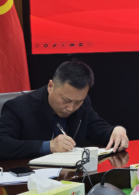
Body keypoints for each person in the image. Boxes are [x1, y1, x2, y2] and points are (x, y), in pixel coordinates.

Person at [0, 59, 129, 160]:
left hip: (72, 176)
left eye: (78, 102)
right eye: (66, 100)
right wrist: (49, 146)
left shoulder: (83, 103)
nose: (70, 108)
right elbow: (2, 144)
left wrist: (115, 131)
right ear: (50, 86)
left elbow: (96, 128)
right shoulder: (18, 107)